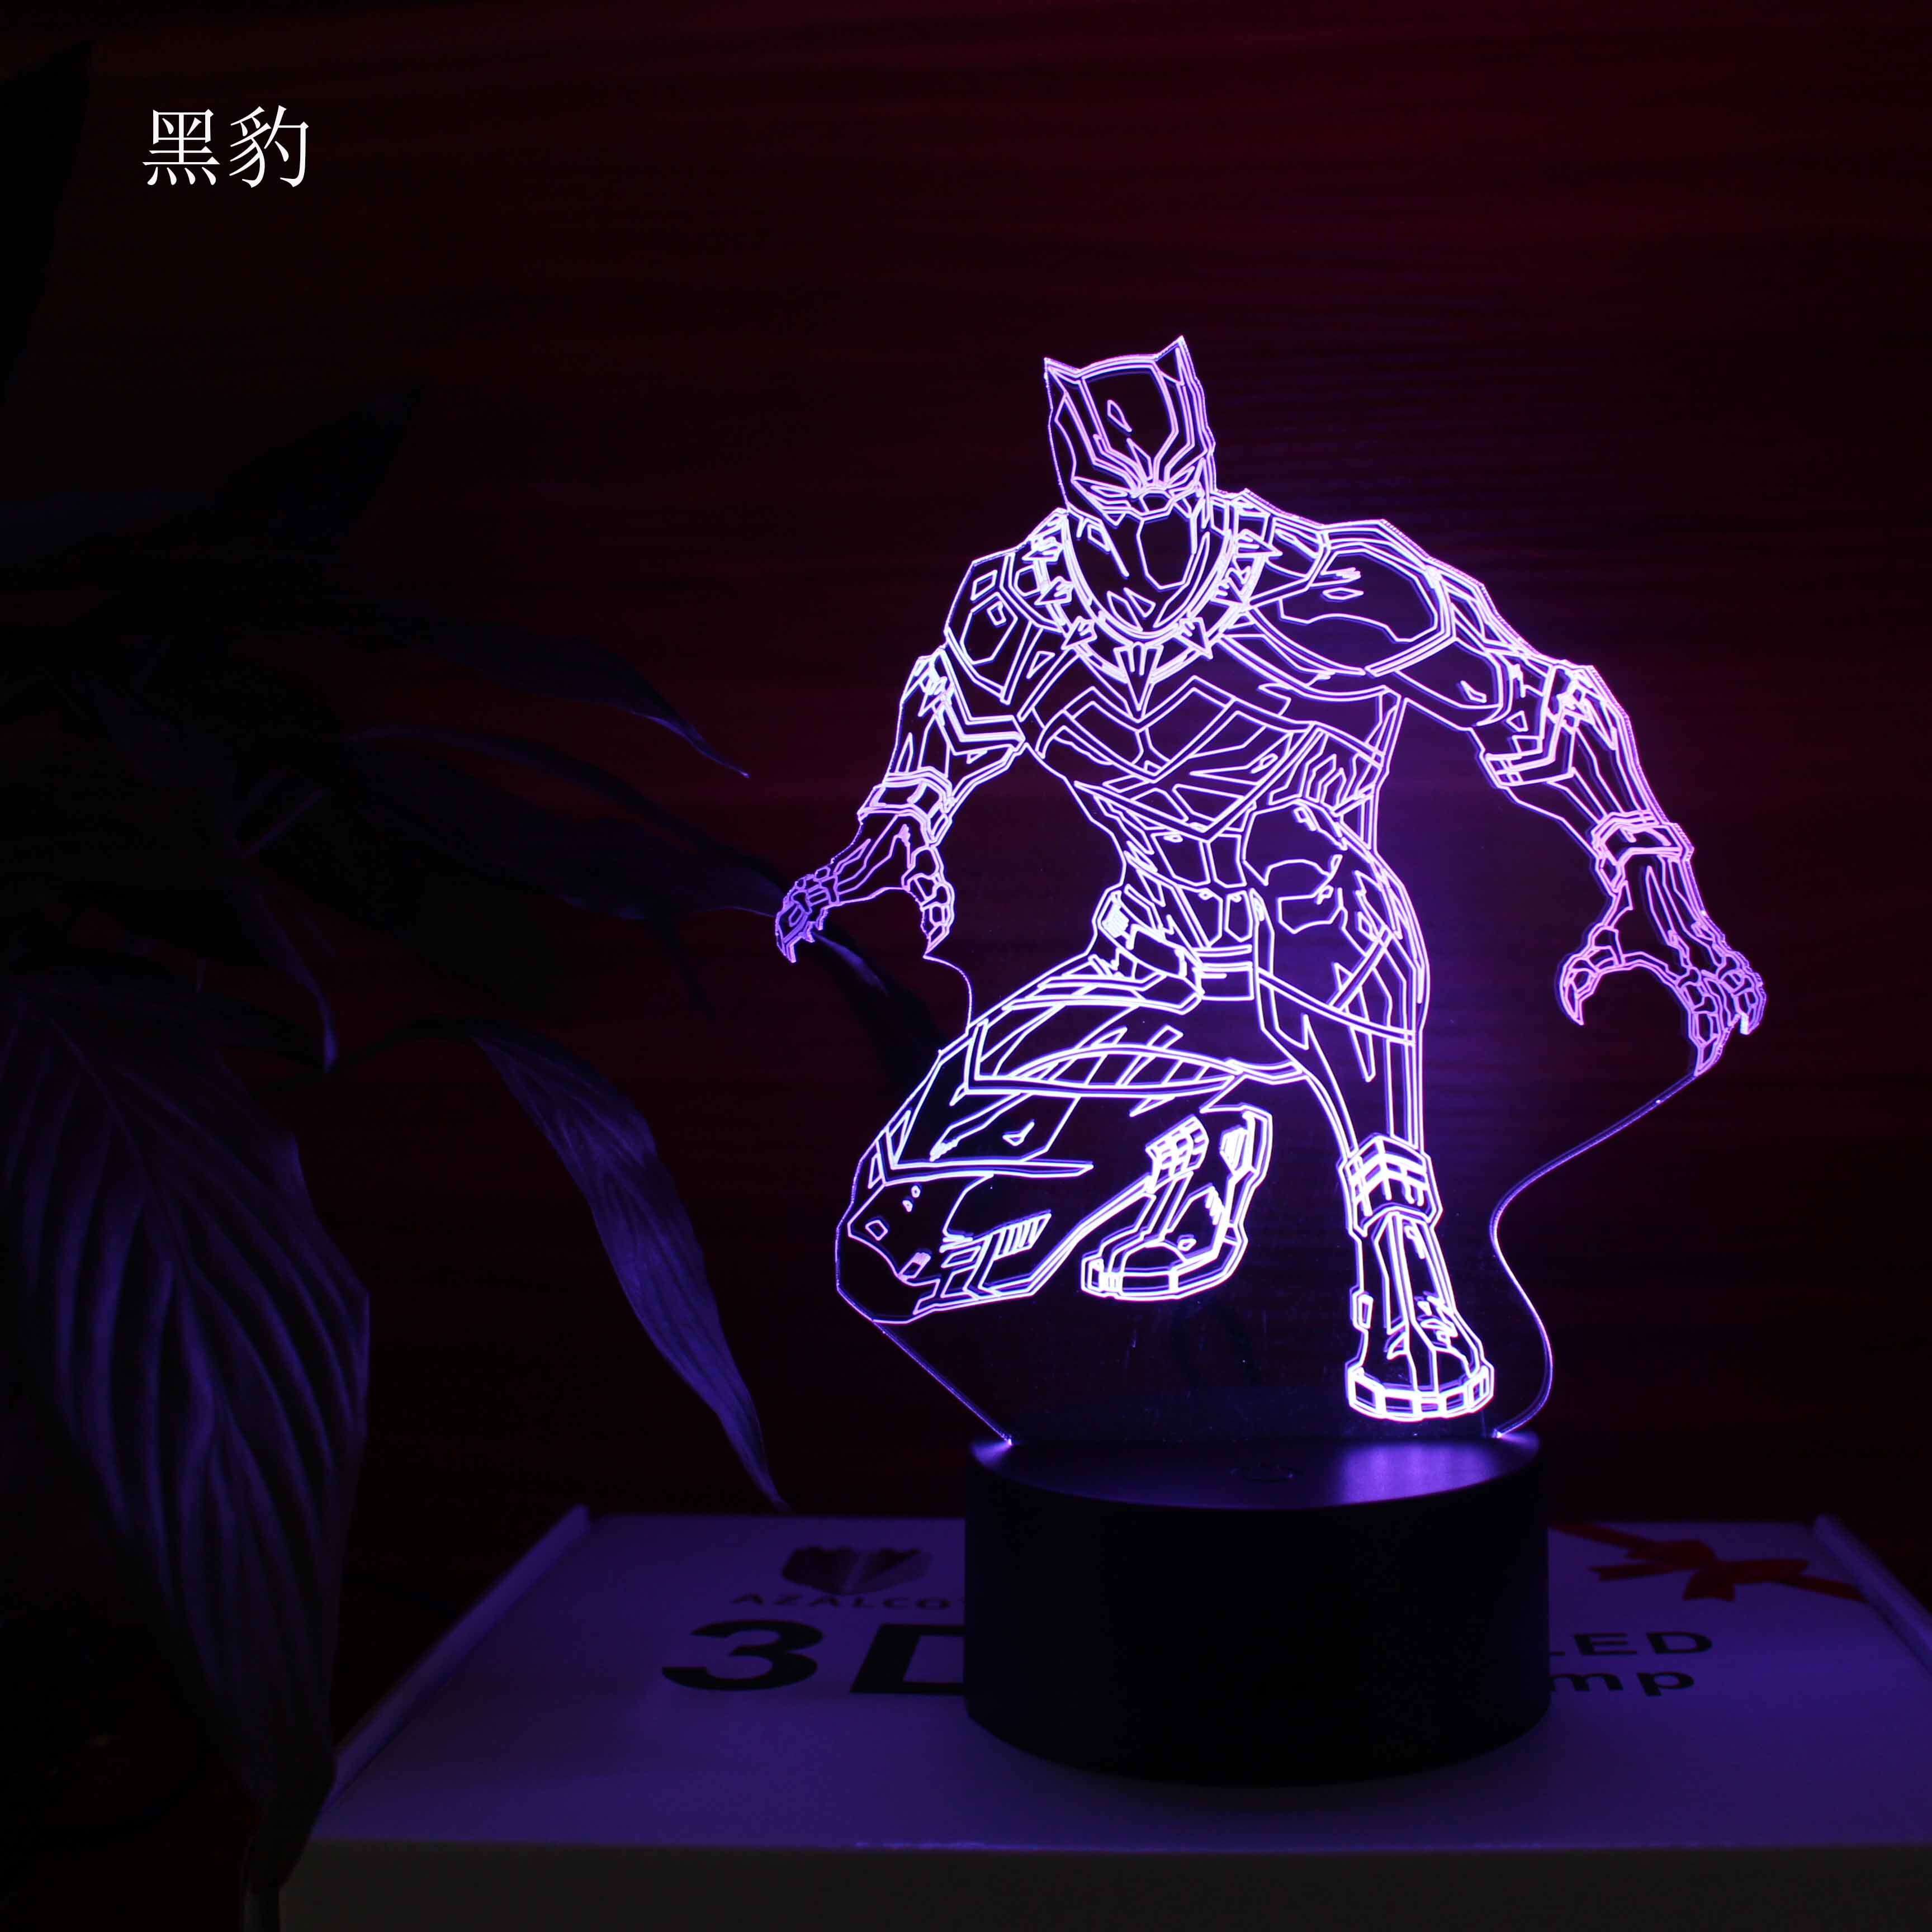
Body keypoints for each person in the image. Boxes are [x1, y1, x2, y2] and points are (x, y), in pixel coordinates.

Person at [776, 339, 1762, 1422]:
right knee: (898, 1253)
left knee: (1294, 859)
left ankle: (1402, 1263)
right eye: (1118, 519)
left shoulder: (1332, 585)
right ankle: (1198, 1152)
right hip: (1148, 967)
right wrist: (902, 822)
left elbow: (1543, 707)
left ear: (1202, 463)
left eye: (1170, 510)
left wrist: (1648, 872)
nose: (1150, 550)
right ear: (1071, 487)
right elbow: (950, 708)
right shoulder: (1017, 610)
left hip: (1328, 957)